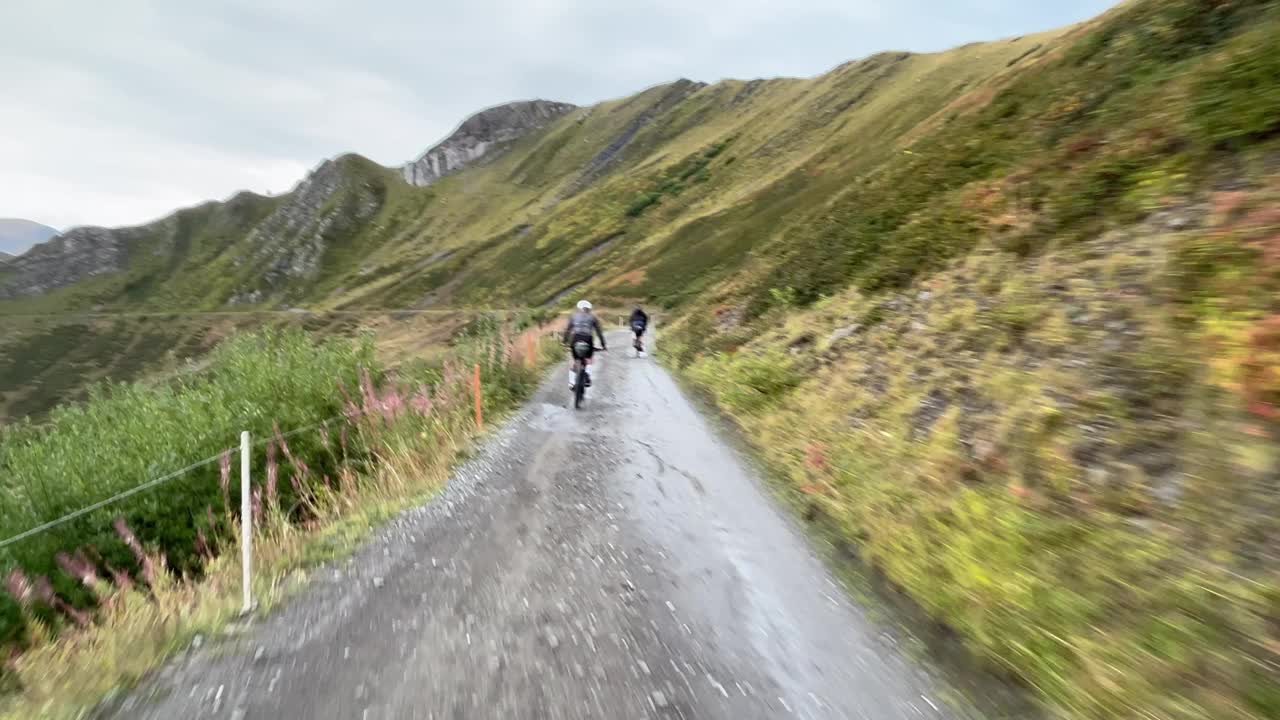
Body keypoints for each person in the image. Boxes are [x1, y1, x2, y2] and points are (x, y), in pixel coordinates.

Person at [563, 300, 607, 388]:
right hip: (588, 339)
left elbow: (568, 330)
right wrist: (603, 345)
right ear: (589, 309)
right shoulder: (593, 318)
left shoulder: (573, 317)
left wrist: (564, 342)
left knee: (573, 359)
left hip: (576, 338)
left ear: (579, 308)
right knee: (589, 358)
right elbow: (599, 332)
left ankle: (571, 382)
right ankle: (587, 374)